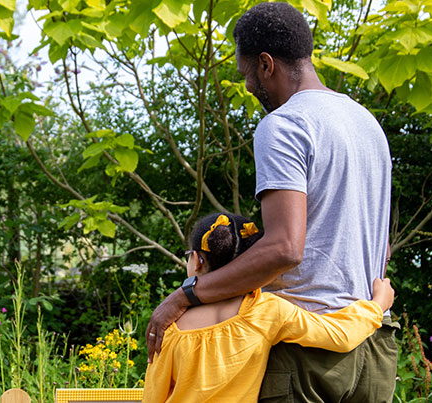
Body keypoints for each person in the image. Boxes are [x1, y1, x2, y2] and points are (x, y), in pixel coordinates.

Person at [145, 2, 397, 402]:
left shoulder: (284, 124)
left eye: (246, 73)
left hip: (306, 354)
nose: (247, 86)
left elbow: (284, 248)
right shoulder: (367, 123)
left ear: (266, 64)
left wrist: (187, 293)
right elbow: (379, 246)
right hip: (374, 346)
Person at [142, 213, 394, 403]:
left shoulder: (169, 327)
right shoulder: (265, 311)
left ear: (197, 261)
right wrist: (377, 305)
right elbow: (341, 336)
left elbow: (153, 397)